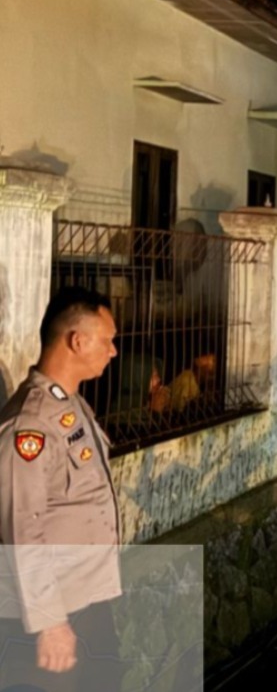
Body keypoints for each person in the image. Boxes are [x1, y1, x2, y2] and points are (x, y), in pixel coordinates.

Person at [0, 286, 124, 692]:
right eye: (107, 341)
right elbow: (21, 528)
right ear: (77, 340)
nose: (113, 351)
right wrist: (50, 622)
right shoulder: (31, 423)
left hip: (85, 603)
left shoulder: (70, 407)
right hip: (46, 617)